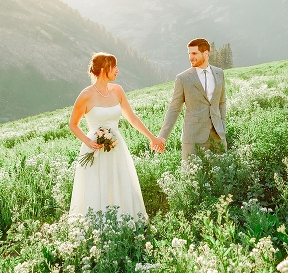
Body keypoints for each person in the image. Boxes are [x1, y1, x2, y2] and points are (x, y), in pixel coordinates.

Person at [68, 52, 163, 219]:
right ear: (105, 69)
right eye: (114, 67)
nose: (117, 70)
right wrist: (89, 142)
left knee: (120, 184)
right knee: (97, 187)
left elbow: (132, 118)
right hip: (95, 151)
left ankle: (123, 222)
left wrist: (152, 137)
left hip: (117, 147)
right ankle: (97, 226)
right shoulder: (86, 95)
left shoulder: (117, 90)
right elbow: (73, 124)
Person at [156, 38, 227, 162]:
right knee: (193, 177)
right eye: (189, 54)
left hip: (218, 137)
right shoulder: (183, 78)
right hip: (193, 138)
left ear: (206, 53)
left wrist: (222, 125)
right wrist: (162, 137)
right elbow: (174, 109)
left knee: (222, 175)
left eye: (194, 53)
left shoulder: (219, 73)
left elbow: (221, 102)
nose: (190, 57)